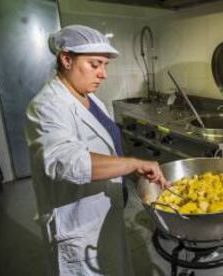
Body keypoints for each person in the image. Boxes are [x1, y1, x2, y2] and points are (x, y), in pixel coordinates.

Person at [25, 25, 166, 275]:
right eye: (95, 64)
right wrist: (133, 163)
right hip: (78, 224)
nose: (102, 74)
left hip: (105, 212)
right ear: (66, 59)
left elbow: (106, 150)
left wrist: (131, 172)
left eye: (105, 65)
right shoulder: (46, 107)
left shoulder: (92, 99)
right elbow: (66, 162)